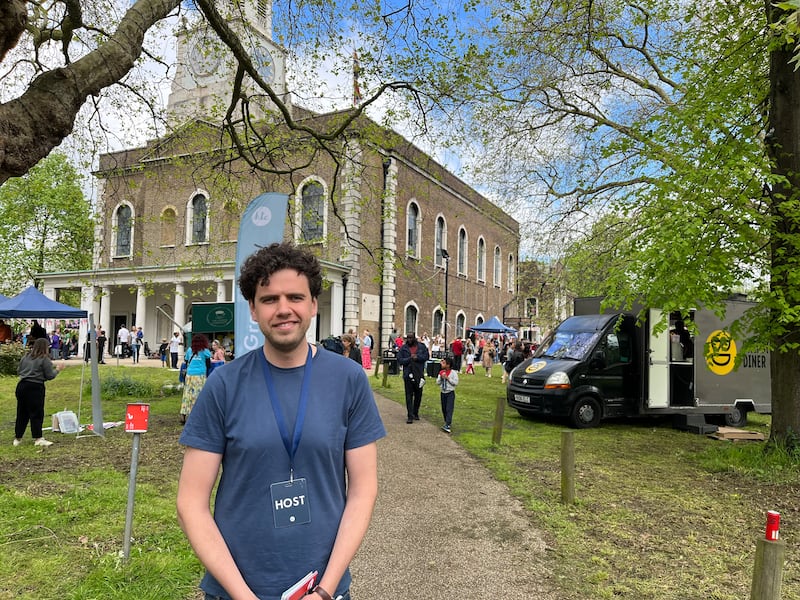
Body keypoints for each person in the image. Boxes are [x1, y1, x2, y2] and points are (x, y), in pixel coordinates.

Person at [177, 242, 385, 600]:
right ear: (253, 310)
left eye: (295, 297)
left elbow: (363, 490)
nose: (284, 309)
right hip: (236, 589)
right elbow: (190, 502)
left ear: (314, 305)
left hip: (322, 588)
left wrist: (325, 590)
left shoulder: (348, 380)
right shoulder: (224, 385)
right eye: (270, 299)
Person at [14, 337, 65, 447]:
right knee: (36, 413)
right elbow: (50, 375)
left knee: (22, 412)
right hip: (35, 387)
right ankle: (38, 438)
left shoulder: (26, 357)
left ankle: (18, 438)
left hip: (22, 386)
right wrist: (58, 369)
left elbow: (18, 370)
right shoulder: (44, 359)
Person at [396, 331, 429, 424]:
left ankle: (415, 412)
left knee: (418, 395)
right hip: (408, 374)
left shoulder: (422, 347)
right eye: (408, 338)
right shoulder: (403, 348)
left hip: (419, 374)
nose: (409, 340)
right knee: (409, 395)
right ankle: (410, 415)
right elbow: (400, 360)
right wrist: (409, 358)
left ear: (414, 338)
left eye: (411, 338)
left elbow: (426, 356)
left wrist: (417, 357)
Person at [180, 333, 212, 424]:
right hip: (200, 375)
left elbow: (186, 362)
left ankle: (184, 413)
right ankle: (197, 414)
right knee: (199, 394)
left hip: (189, 375)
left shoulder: (190, 350)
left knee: (187, 394)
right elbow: (209, 365)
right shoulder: (205, 351)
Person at [436, 354, 459, 433]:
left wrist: (448, 378)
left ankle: (448, 424)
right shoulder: (441, 372)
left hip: (450, 393)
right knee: (444, 408)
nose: (442, 364)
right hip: (443, 392)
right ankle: (446, 421)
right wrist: (441, 379)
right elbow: (437, 383)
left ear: (448, 365)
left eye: (444, 363)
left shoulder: (453, 373)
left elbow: (455, 383)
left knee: (449, 408)